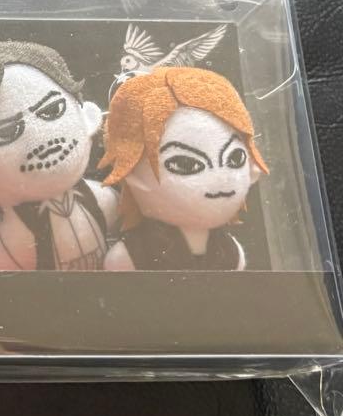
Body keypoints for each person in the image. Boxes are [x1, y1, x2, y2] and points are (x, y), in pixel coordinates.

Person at [0, 40, 116, 270]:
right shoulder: (12, 240)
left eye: (52, 110)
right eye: (7, 132)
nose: (41, 135)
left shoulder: (103, 199)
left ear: (87, 117)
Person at [99, 66, 267, 270]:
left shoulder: (230, 251)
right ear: (132, 173)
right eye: (185, 164)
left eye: (235, 158)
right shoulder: (134, 254)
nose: (219, 176)